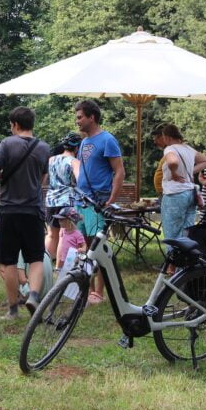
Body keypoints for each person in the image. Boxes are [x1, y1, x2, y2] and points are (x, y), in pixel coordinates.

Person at [0, 106, 51, 319]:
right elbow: (43, 179)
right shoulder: (43, 147)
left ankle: (13, 309)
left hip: (9, 211)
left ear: (15, 124)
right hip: (33, 211)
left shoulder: (7, 143)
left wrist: (3, 179)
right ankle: (33, 295)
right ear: (32, 124)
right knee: (36, 258)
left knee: (9, 261)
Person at [74, 99, 125, 304]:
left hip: (99, 200)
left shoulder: (107, 140)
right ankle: (88, 289)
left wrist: (112, 199)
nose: (77, 121)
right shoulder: (84, 142)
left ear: (91, 117)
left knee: (99, 248)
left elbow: (119, 170)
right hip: (82, 201)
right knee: (87, 248)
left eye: (80, 117)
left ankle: (99, 292)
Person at [159, 124, 206, 246]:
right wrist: (189, 171)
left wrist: (174, 173)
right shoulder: (188, 149)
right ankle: (185, 263)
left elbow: (173, 161)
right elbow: (205, 160)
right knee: (187, 233)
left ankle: (172, 264)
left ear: (168, 137)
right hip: (190, 193)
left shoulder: (170, 149)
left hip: (174, 194)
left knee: (172, 234)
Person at [45, 131, 82, 267]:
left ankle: (44, 265)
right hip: (67, 200)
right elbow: (80, 181)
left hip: (50, 200)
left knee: (51, 234)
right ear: (77, 147)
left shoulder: (51, 160)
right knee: (64, 234)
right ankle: (59, 267)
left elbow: (45, 180)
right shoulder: (74, 161)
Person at [52, 207, 87, 273]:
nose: (59, 221)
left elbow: (84, 245)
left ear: (69, 221)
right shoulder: (64, 231)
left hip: (74, 260)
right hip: (64, 259)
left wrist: (82, 249)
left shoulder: (77, 234)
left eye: (61, 220)